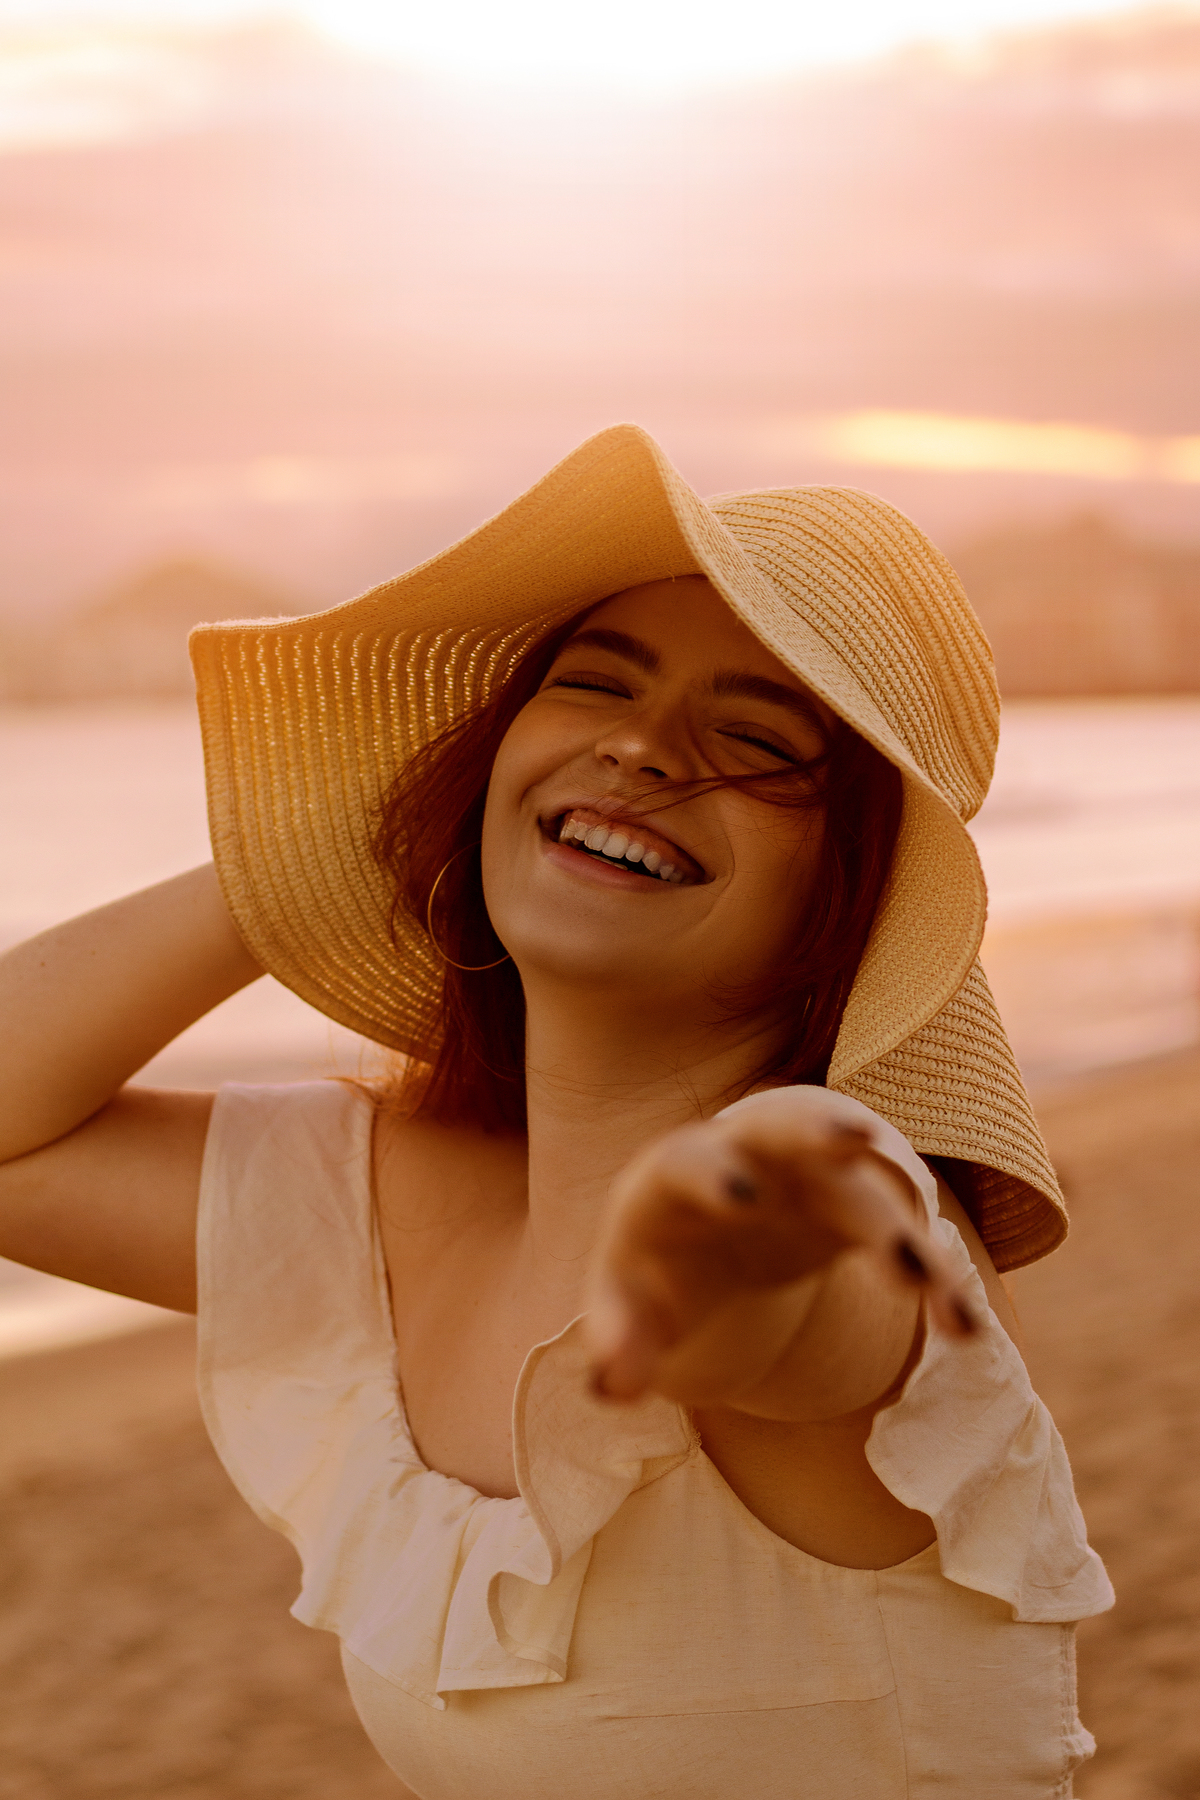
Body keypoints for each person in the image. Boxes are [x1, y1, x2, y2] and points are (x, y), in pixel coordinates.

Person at [0, 424, 1112, 1797]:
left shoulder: (840, 1206)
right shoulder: (385, 1192)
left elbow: (802, 1281)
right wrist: (319, 842)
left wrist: (751, 1217)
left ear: (852, 896)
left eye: (757, 739)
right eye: (596, 686)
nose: (645, 749)